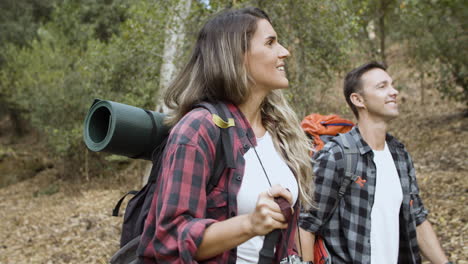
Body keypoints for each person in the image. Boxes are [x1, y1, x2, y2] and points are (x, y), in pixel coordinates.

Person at [136, 7, 314, 264]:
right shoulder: (199, 129)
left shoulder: (281, 131)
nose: (284, 51)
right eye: (270, 42)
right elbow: (170, 241)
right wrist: (249, 224)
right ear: (237, 56)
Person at [299, 62, 452, 264]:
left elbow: (416, 219)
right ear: (358, 99)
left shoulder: (399, 154)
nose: (394, 92)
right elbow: (306, 225)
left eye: (392, 85)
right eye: (382, 87)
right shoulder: (338, 155)